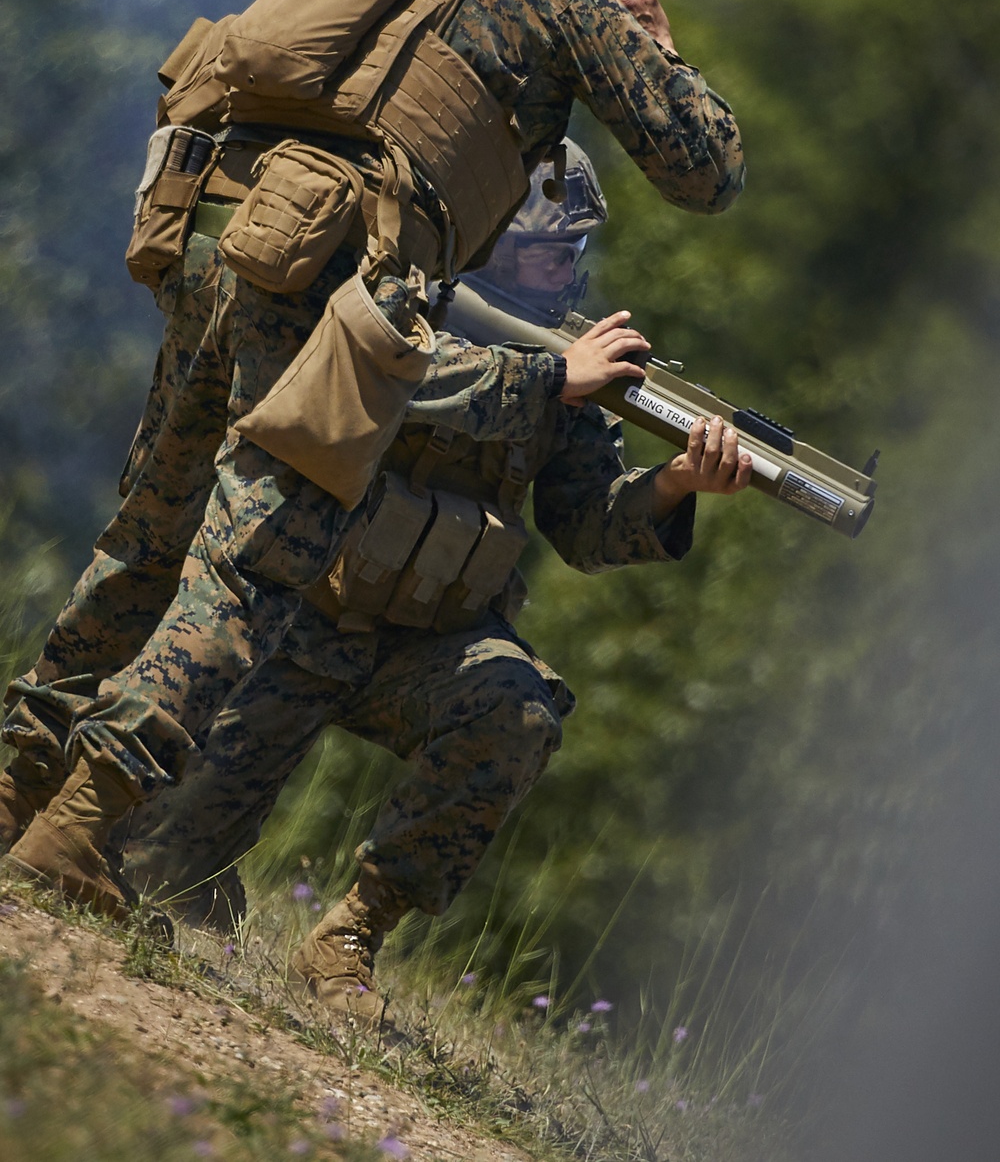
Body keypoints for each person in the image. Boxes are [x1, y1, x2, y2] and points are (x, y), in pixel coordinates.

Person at [2, 0, 745, 920]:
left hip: (228, 230)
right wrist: (656, 40)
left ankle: (18, 773)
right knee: (251, 563)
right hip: (327, 281)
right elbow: (706, 170)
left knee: (149, 535)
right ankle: (75, 825)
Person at [121, 147, 752, 1018]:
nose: (564, 270)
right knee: (155, 871)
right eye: (544, 249)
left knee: (516, 705)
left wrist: (679, 481)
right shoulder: (395, 303)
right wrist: (546, 379)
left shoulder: (569, 364)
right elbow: (400, 381)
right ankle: (194, 875)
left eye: (575, 251)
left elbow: (588, 525)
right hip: (291, 626)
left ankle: (347, 939)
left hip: (424, 643)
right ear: (490, 239)